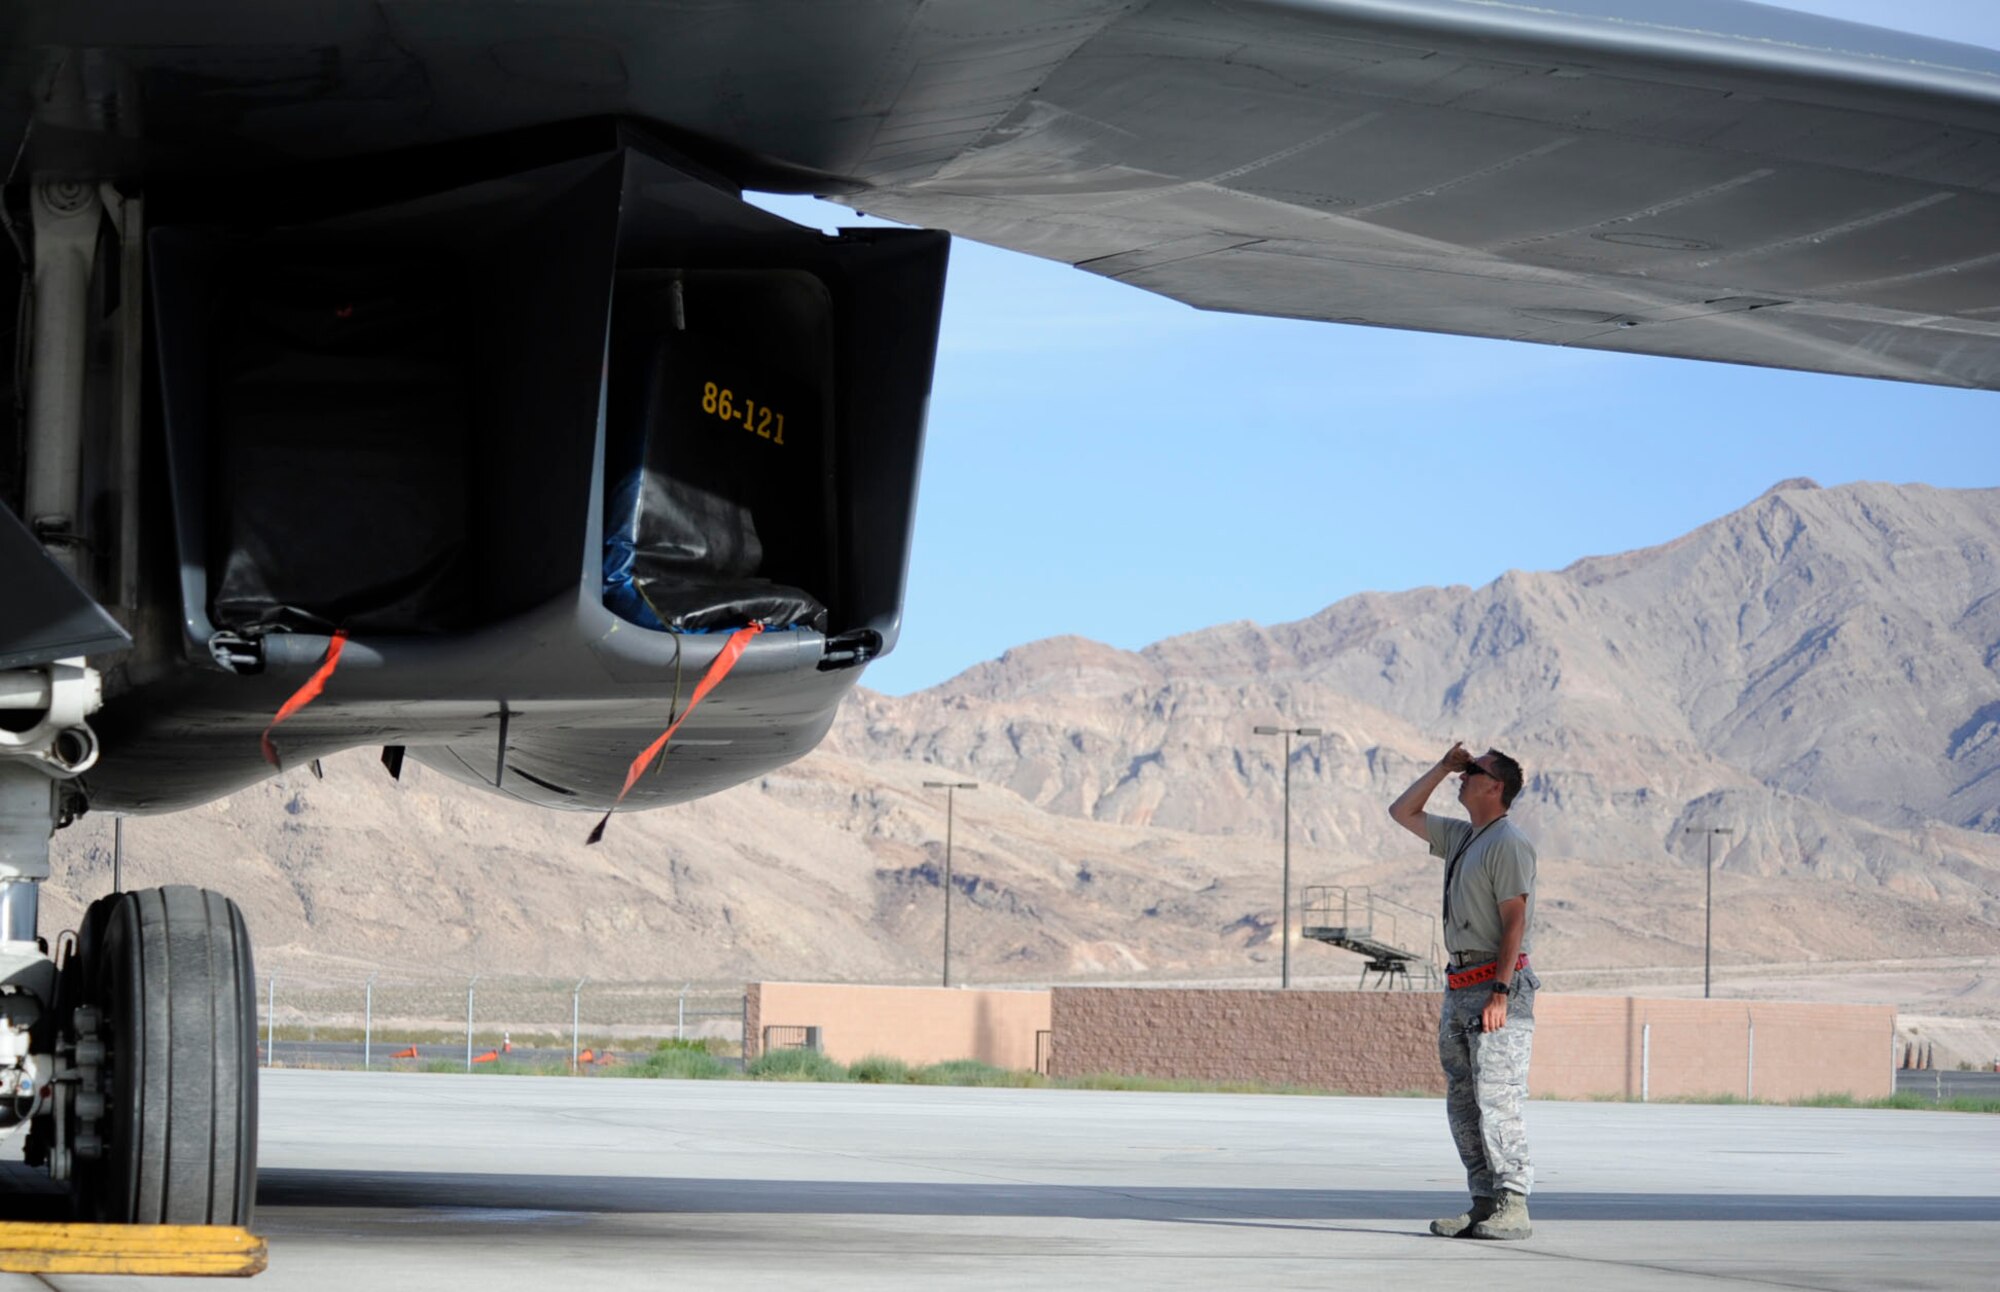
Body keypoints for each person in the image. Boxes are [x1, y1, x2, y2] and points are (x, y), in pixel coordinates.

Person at [1388, 741, 1539, 1241]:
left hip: (1497, 986)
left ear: (1495, 787)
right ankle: (1483, 1202)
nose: (1463, 777)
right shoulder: (1462, 838)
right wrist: (1443, 766)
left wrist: (1500, 992)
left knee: (1498, 1096)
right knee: (1463, 1100)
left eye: (1473, 772)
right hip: (1459, 984)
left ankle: (1513, 1204)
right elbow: (1402, 811)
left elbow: (1514, 919)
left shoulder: (1507, 842)